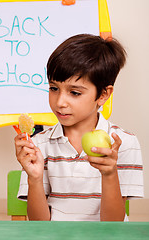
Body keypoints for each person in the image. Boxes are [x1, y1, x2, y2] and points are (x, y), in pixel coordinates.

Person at [15, 34, 144, 221]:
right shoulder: (38, 144)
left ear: (103, 95)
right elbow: (38, 224)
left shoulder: (122, 143)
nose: (60, 102)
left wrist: (109, 174)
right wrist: (34, 179)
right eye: (53, 88)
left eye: (74, 93)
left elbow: (113, 225)